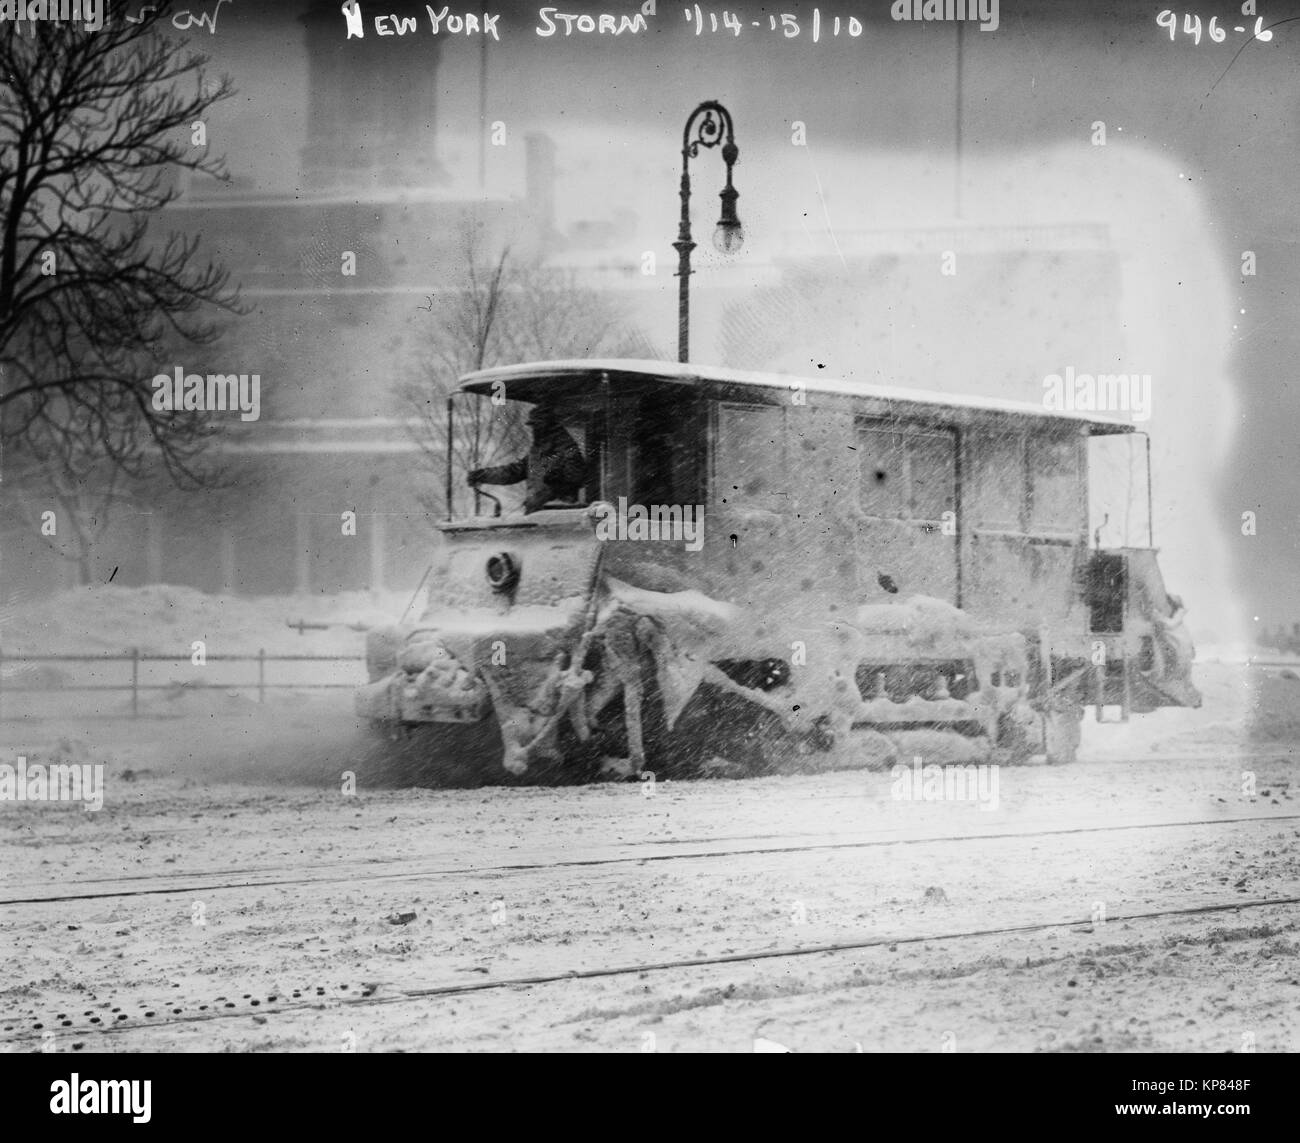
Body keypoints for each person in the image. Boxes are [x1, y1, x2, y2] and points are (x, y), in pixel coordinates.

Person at [468, 404, 591, 513]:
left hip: (556, 515)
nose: (534, 429)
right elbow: (514, 471)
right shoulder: (537, 451)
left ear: (549, 425)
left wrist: (557, 484)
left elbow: (577, 478)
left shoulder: (568, 449)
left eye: (537, 424)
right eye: (534, 425)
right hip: (537, 513)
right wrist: (483, 475)